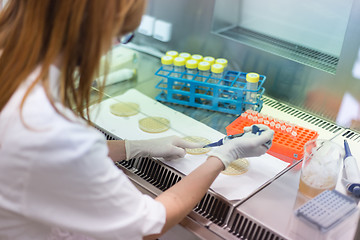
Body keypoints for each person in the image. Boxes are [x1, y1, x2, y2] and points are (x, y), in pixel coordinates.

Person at [0, 0, 275, 239]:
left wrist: (134, 147)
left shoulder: (11, 66)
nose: (114, 46)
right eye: (121, 34)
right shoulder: (45, 126)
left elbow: (58, 157)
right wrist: (223, 157)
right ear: (90, 29)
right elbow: (146, 225)